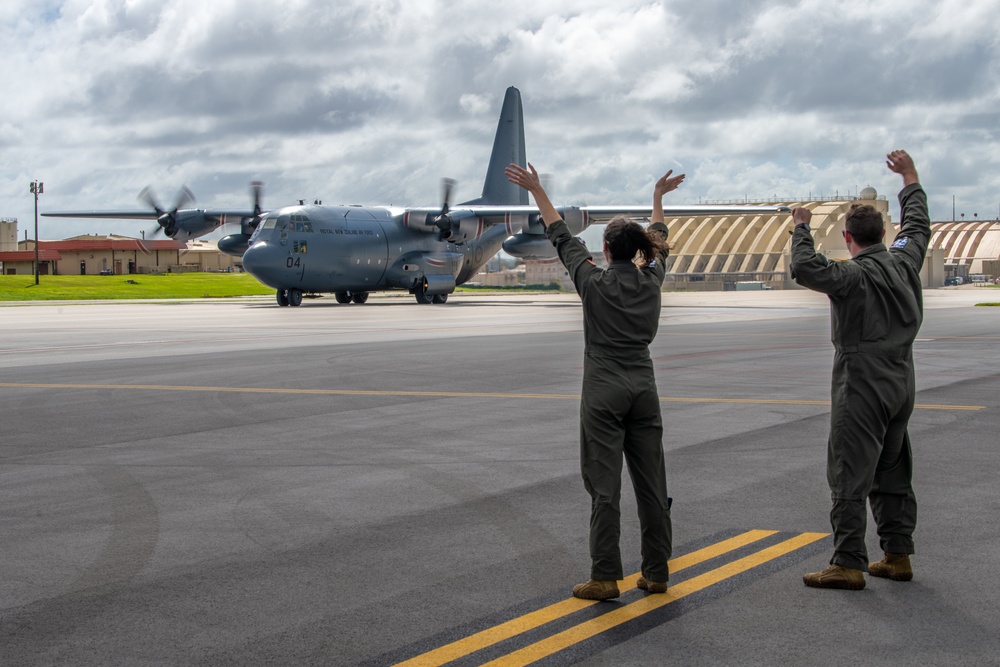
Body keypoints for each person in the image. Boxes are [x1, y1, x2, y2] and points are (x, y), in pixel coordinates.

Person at [505, 162, 683, 600]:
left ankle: (606, 576)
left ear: (605, 250)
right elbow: (661, 245)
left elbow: (560, 236)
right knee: (652, 484)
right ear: (637, 249)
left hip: (603, 387)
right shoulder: (651, 281)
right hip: (644, 386)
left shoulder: (593, 281)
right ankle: (656, 572)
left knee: (605, 488)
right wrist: (658, 198)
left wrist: (537, 191)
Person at [790, 150, 930, 590]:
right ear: (884, 233)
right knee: (892, 470)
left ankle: (848, 561)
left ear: (848, 237)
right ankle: (897, 554)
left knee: (849, 470)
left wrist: (800, 226)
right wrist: (909, 177)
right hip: (901, 381)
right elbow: (918, 227)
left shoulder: (851, 277)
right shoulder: (905, 263)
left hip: (862, 382)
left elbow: (804, 266)